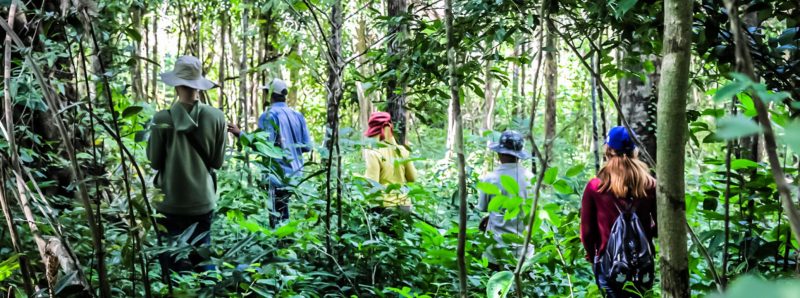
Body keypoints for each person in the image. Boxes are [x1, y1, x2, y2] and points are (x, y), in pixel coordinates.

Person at [147, 55, 227, 274]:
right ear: (198, 85)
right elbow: (217, 162)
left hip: (169, 202)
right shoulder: (217, 117)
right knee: (203, 262)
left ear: (176, 85)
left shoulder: (161, 118)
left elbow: (154, 162)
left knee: (171, 265)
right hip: (202, 201)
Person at [580, 126, 657, 297]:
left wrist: (593, 255)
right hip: (642, 265)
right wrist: (644, 234)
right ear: (634, 150)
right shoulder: (650, 185)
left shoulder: (595, 186)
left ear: (608, 149)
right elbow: (661, 226)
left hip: (608, 264)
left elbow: (587, 232)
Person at [227, 78, 312, 227]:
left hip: (277, 175)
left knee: (277, 218)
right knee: (284, 213)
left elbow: (264, 147)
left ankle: (280, 246)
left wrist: (240, 134)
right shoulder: (297, 115)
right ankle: (286, 244)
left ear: (269, 94)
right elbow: (307, 147)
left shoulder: (269, 116)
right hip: (297, 174)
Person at [477, 130, 534, 267]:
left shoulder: (491, 179)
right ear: (519, 155)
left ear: (500, 153)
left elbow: (484, 207)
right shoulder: (530, 178)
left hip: (496, 251)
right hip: (523, 252)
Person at [362, 112, 417, 213]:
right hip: (405, 205)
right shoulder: (403, 151)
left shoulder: (373, 152)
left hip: (384, 207)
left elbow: (372, 183)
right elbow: (412, 178)